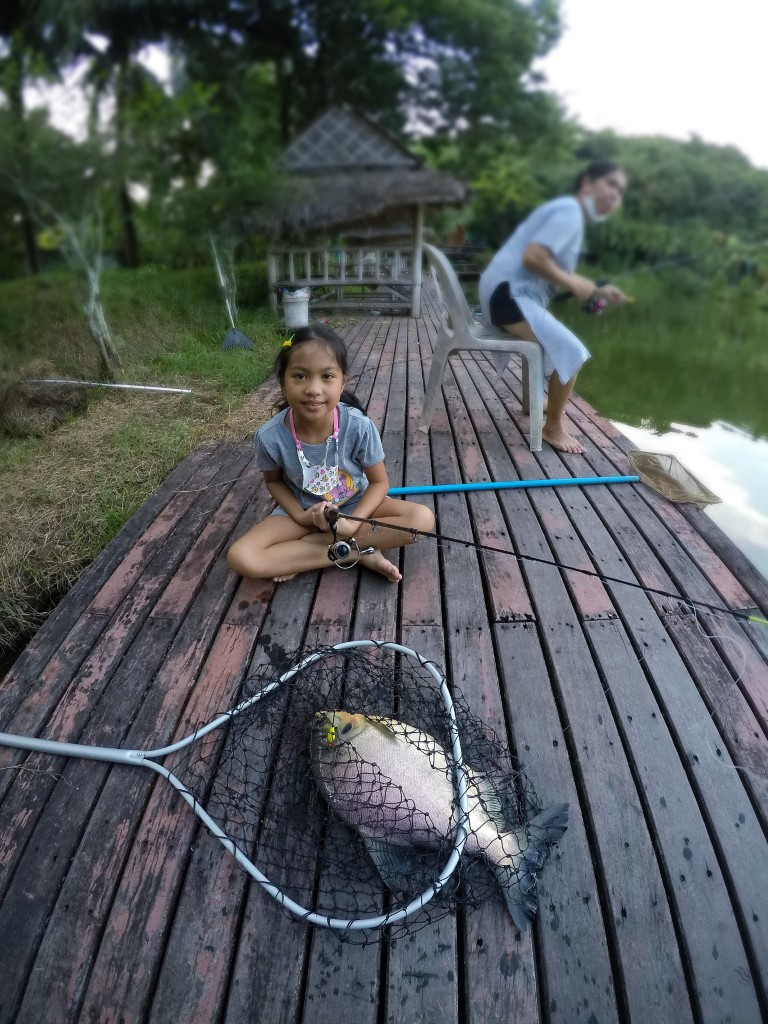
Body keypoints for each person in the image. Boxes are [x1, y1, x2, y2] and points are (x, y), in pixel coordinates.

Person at [227, 324, 435, 583]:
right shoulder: (269, 436)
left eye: (327, 376)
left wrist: (353, 524)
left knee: (421, 519)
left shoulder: (358, 426)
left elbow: (380, 483)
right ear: (282, 381)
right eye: (300, 376)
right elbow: (274, 481)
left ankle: (316, 551)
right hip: (303, 512)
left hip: (356, 505)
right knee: (241, 556)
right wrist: (302, 516)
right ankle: (354, 552)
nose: (314, 389)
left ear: (342, 381)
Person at [479, 160, 629, 455]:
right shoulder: (569, 212)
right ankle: (553, 427)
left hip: (506, 295)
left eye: (621, 191)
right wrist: (574, 285)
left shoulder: (566, 213)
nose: (615, 194)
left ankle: (546, 402)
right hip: (508, 297)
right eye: (610, 184)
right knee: (572, 350)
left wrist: (595, 289)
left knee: (559, 344)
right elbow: (534, 258)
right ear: (587, 183)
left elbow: (550, 268)